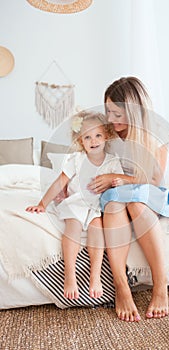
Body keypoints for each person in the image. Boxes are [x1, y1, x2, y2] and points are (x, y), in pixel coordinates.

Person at [87, 77, 169, 322]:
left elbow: (153, 179)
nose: (111, 119)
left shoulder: (156, 132)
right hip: (120, 190)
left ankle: (160, 284)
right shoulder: (111, 134)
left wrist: (116, 176)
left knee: (134, 201)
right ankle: (121, 286)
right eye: (108, 111)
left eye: (117, 113)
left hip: (153, 191)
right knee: (112, 201)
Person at [26, 110, 124, 300]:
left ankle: (95, 276)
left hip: (96, 206)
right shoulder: (76, 160)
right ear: (81, 141)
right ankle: (69, 276)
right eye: (87, 137)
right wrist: (42, 204)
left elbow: (118, 180)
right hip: (75, 203)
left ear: (106, 136)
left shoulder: (112, 162)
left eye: (97, 135)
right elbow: (59, 183)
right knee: (73, 227)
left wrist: (117, 182)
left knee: (97, 228)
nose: (93, 141)